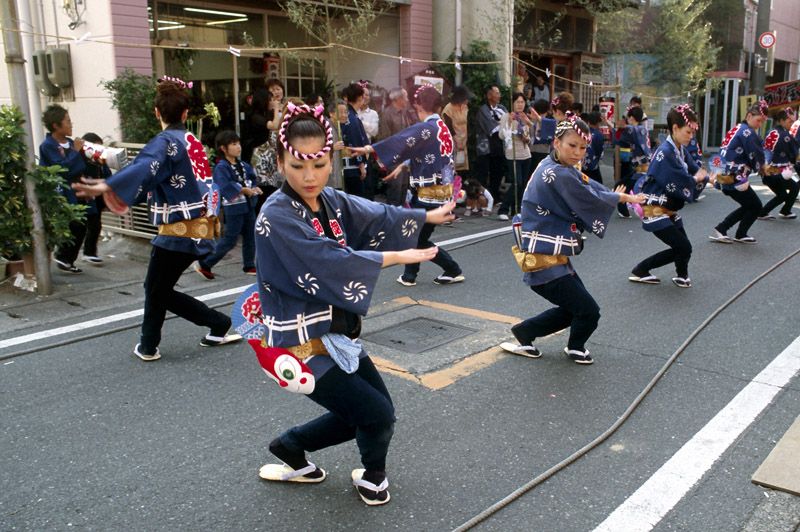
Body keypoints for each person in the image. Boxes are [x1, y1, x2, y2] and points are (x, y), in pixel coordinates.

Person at [251, 102, 455, 505]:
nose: (310, 177)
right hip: (299, 342)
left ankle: (290, 447)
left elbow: (373, 214)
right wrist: (393, 256)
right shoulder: (275, 216)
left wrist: (424, 218)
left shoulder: (328, 199)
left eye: (319, 164)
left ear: (331, 159)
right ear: (280, 162)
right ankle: (373, 476)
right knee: (376, 414)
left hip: (337, 335)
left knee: (371, 412)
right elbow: (327, 260)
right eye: (297, 166)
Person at [72, 78, 239, 361]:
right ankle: (152, 344)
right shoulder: (191, 141)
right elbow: (153, 174)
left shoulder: (165, 142)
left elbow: (144, 169)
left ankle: (214, 324)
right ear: (185, 114)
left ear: (157, 112)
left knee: (156, 288)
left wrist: (107, 185)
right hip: (203, 223)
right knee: (158, 287)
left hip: (179, 228)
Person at [500, 115, 645, 365]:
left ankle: (525, 332)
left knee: (575, 309)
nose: (578, 152)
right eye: (572, 145)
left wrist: (613, 196)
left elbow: (587, 185)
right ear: (556, 143)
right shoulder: (556, 172)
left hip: (549, 254)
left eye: (583, 147)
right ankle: (575, 347)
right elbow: (587, 195)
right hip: (544, 257)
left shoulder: (555, 165)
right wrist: (621, 199)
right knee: (588, 310)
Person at [351, 85, 465, 287]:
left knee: (416, 237)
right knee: (416, 235)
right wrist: (403, 166)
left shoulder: (425, 129)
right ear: (439, 107)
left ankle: (451, 269)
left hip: (429, 194)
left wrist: (369, 148)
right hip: (441, 191)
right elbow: (424, 152)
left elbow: (400, 141)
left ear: (418, 106)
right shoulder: (442, 128)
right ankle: (410, 275)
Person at [629, 105, 712, 289]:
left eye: (693, 132)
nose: (691, 136)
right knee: (683, 247)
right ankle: (641, 269)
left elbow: (694, 168)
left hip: (667, 207)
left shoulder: (679, 149)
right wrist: (696, 179)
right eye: (688, 132)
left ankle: (682, 275)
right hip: (654, 208)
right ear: (675, 128)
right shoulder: (665, 152)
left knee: (684, 246)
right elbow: (678, 179)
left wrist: (707, 177)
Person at [193, 131, 262, 281]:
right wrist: (243, 190)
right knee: (230, 239)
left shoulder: (243, 165)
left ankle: (249, 264)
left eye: (238, 143)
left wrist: (255, 188)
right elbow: (224, 185)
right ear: (223, 148)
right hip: (234, 208)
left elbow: (252, 179)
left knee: (250, 236)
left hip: (248, 205)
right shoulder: (221, 167)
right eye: (234, 144)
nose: (238, 147)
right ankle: (205, 263)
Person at [39, 104, 87, 274]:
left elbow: (78, 167)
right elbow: (62, 169)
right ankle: (62, 257)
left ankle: (67, 258)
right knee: (71, 224)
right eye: (67, 122)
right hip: (60, 192)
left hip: (75, 189)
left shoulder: (70, 143)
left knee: (82, 224)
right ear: (56, 125)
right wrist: (75, 152)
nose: (71, 125)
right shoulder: (48, 146)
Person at [710, 101, 767, 244]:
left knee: (750, 205)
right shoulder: (747, 132)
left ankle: (724, 229)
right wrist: (762, 167)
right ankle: (737, 232)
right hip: (735, 177)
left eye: (762, 121)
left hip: (725, 175)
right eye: (758, 120)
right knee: (755, 205)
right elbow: (755, 153)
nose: (760, 124)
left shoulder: (737, 129)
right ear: (749, 116)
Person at [497, 92, 534, 220]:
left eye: (522, 102)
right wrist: (509, 123)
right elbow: (501, 135)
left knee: (523, 184)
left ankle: (516, 209)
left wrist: (526, 137)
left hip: (525, 154)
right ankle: (503, 209)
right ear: (512, 103)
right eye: (517, 102)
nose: (520, 105)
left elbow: (529, 137)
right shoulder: (506, 116)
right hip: (512, 154)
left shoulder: (524, 117)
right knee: (516, 183)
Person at [758, 106, 799, 220]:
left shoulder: (770, 131)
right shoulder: (786, 136)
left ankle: (763, 212)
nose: (792, 124)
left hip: (765, 170)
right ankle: (785, 211)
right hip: (776, 172)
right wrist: (792, 161)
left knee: (782, 195)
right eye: (790, 122)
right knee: (794, 188)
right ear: (782, 121)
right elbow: (793, 154)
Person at [378, 86, 417, 206]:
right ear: (398, 99)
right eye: (405, 97)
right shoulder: (387, 113)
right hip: (394, 157)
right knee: (395, 189)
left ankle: (400, 214)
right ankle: (392, 215)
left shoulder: (405, 112)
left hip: (405, 156)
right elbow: (385, 137)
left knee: (404, 188)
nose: (407, 99)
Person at [613, 106, 652, 218]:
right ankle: (625, 210)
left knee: (626, 189)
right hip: (638, 168)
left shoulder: (641, 129)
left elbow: (632, 130)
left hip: (644, 168)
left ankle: (628, 210)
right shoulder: (636, 132)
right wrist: (611, 125)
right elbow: (621, 138)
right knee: (620, 186)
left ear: (631, 118)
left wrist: (624, 126)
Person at [79, 132, 110, 265]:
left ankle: (90, 252)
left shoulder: (100, 161)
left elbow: (107, 175)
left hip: (98, 196)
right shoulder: (80, 160)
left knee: (95, 224)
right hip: (84, 196)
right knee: (88, 225)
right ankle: (87, 253)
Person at [475, 84, 508, 202]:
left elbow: (508, 123)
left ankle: (495, 196)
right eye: (496, 93)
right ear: (489, 95)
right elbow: (493, 128)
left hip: (499, 145)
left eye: (499, 93)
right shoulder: (483, 110)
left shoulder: (502, 108)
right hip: (486, 147)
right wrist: (500, 123)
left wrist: (501, 123)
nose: (499, 95)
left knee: (497, 171)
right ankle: (481, 199)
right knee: (483, 173)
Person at [340, 83, 370, 197]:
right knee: (357, 198)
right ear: (360, 98)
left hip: (349, 165)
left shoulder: (349, 114)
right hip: (352, 166)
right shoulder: (351, 117)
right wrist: (361, 165)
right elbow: (355, 142)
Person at [442, 85, 474, 175]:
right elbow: (448, 126)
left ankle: (460, 182)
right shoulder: (448, 109)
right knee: (451, 167)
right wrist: (456, 140)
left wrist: (463, 140)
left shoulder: (465, 107)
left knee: (461, 166)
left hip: (463, 141)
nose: (467, 100)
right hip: (452, 141)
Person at [582, 112, 606, 185]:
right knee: (597, 184)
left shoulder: (583, 132)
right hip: (592, 163)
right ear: (599, 123)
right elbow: (599, 150)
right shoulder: (598, 134)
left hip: (582, 162)